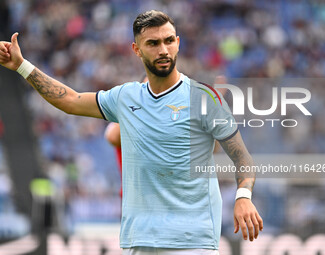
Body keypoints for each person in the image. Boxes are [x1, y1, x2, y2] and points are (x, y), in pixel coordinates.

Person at [0, 10, 263, 255]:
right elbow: (70, 100)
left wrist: (243, 197)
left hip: (192, 240)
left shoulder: (204, 98)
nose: (163, 50)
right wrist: (22, 66)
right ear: (136, 49)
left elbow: (243, 159)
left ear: (178, 43)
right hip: (139, 240)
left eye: (168, 41)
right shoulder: (125, 97)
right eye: (153, 43)